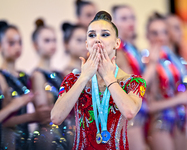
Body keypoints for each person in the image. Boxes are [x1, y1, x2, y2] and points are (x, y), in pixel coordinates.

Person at [51, 11, 146, 150]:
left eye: (105, 34)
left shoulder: (133, 82)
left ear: (117, 43)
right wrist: (84, 77)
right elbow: (56, 118)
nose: (97, 39)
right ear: (87, 44)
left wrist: (108, 76)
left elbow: (130, 112)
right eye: (92, 35)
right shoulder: (73, 79)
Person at [145, 12, 187, 150]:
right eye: (154, 33)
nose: (160, 37)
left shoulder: (175, 60)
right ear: (147, 35)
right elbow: (147, 104)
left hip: (180, 120)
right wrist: (179, 100)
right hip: (161, 122)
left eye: (164, 32)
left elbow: (184, 91)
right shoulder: (148, 62)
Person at [112, 5, 159, 150]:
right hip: (128, 115)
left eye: (132, 17)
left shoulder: (133, 49)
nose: (130, 22)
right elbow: (134, 86)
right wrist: (152, 65)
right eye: (124, 18)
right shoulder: (117, 52)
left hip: (142, 111)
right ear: (114, 23)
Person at [0, 21, 51, 150]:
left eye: (20, 42)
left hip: (24, 141)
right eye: (11, 43)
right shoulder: (1, 77)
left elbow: (40, 108)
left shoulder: (24, 76)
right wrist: (29, 115)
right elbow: (4, 121)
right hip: (6, 140)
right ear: (1, 45)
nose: (17, 47)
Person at [30, 19, 68, 150]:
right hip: (49, 133)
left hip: (65, 129)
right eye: (47, 40)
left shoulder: (59, 73)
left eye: (54, 40)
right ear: (36, 45)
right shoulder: (37, 75)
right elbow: (44, 111)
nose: (52, 44)